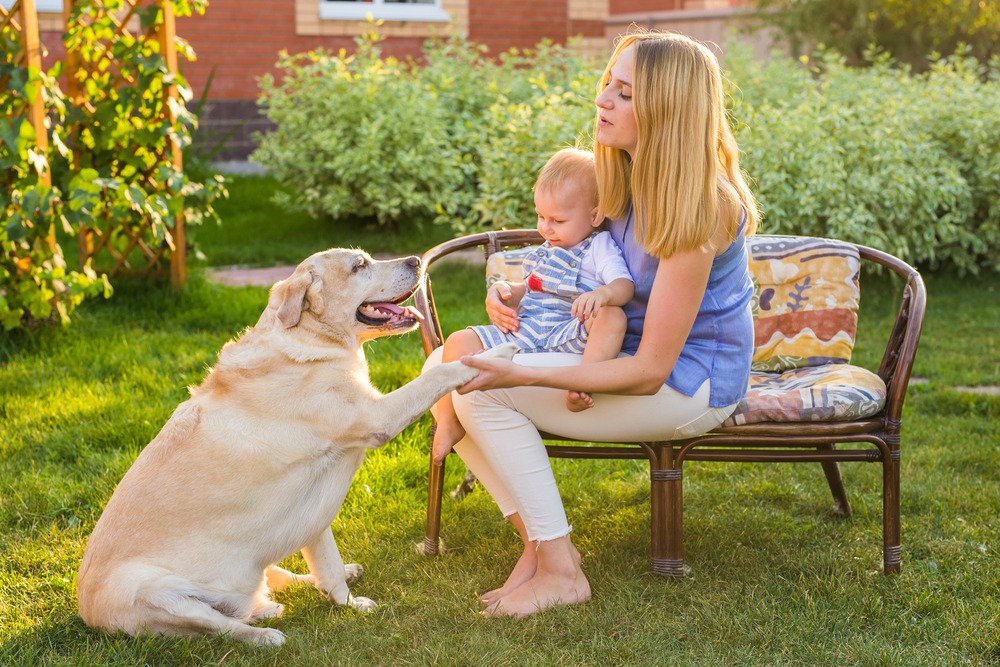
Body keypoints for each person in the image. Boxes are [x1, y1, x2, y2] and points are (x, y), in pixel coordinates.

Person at [424, 30, 760, 618]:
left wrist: (521, 375)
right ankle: (542, 549)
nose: (603, 100)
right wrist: (515, 303)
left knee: (475, 388)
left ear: (667, 108)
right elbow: (582, 275)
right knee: (448, 370)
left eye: (625, 93)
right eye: (608, 83)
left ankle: (556, 564)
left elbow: (654, 370)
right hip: (622, 359)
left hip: (689, 385)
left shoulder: (701, 202)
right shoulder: (629, 183)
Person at [430, 148, 635, 464]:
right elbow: (530, 287)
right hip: (526, 331)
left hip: (569, 331)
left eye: (557, 220)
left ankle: (585, 382)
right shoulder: (545, 250)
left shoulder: (599, 247)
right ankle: (448, 419)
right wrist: (507, 290)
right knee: (458, 341)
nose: (546, 228)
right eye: (541, 216)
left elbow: (625, 286)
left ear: (594, 215)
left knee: (612, 317)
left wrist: (604, 295)